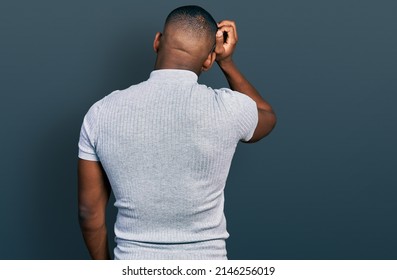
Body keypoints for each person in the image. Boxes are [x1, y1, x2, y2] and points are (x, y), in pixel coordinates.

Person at [77, 5, 276, 260]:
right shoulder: (227, 107)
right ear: (208, 60)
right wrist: (227, 62)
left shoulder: (101, 113)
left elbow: (88, 214)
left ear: (157, 42)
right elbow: (266, 116)